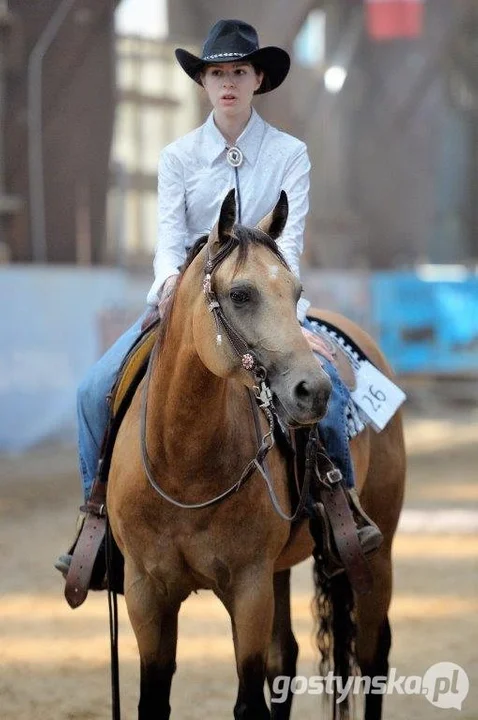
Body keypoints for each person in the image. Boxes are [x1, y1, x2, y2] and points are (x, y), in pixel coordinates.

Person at [55, 19, 381, 577]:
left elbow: (290, 245)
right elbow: (166, 245)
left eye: (238, 72)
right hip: (187, 302)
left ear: (258, 79)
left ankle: (337, 505)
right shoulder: (178, 157)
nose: (227, 82)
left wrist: (289, 314)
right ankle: (99, 519)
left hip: (266, 301)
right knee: (91, 392)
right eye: (216, 73)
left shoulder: (290, 154)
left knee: (331, 396)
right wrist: (168, 292)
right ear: (204, 82)